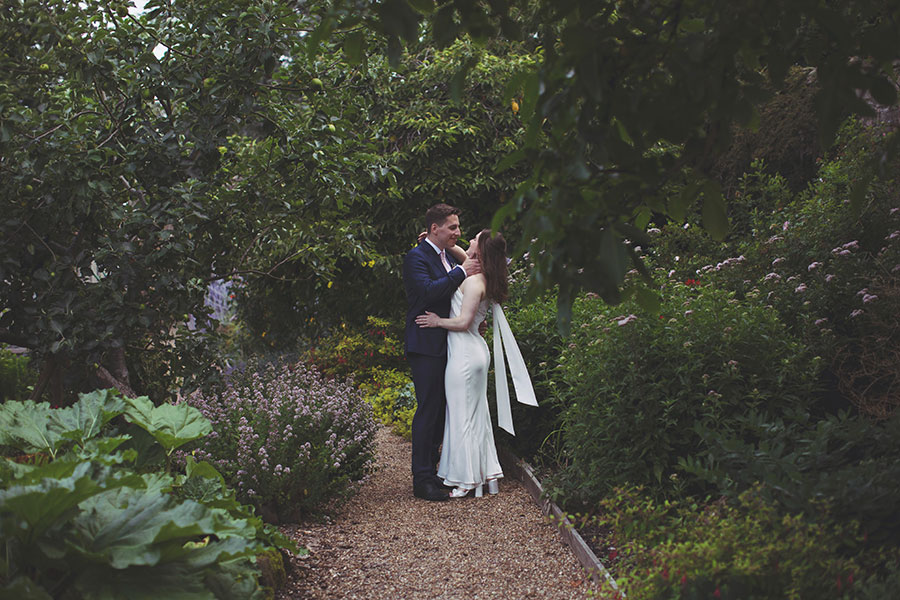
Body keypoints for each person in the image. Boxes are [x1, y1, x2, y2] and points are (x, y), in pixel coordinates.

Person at [416, 229, 536, 498]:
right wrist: (436, 243)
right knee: (473, 416)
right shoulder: (484, 275)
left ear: (480, 251)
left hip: (465, 355)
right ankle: (479, 475)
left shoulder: (473, 282)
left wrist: (437, 322)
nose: (468, 239)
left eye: (475, 238)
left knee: (463, 419)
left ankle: (466, 480)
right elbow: (463, 254)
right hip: (472, 352)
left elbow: (463, 322)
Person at [403, 203, 481, 502]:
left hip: (449, 343)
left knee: (441, 412)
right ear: (435, 228)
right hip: (425, 343)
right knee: (428, 410)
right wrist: (461, 272)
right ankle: (421, 480)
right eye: (452, 227)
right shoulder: (415, 257)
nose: (457, 232)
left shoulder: (447, 255)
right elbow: (427, 292)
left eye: (458, 227)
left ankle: (434, 471)